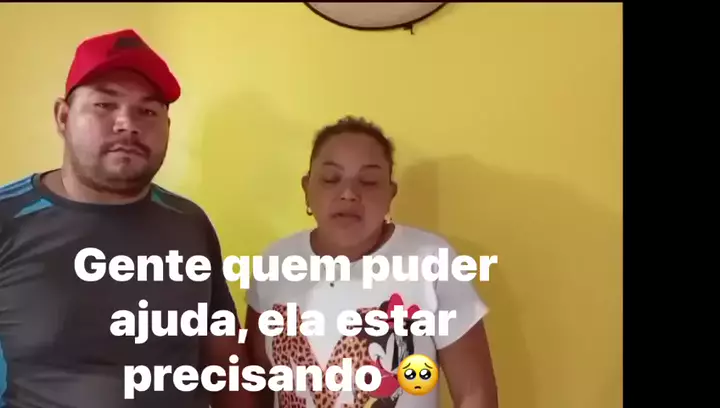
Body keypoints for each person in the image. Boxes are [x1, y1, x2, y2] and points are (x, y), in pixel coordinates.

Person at [0, 29, 254, 408]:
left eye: (147, 111)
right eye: (105, 104)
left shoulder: (189, 224)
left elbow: (225, 362)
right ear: (63, 117)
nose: (127, 124)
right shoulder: (9, 218)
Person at [245, 116, 499, 408]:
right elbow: (257, 382)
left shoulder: (431, 261)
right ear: (307, 188)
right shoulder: (275, 262)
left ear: (390, 194)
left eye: (368, 181)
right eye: (331, 179)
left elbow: (474, 394)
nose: (349, 194)